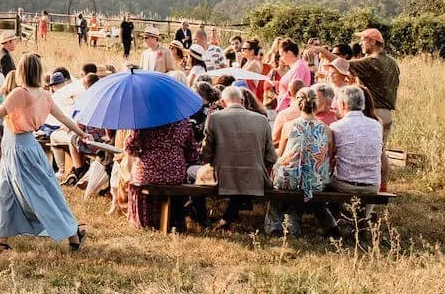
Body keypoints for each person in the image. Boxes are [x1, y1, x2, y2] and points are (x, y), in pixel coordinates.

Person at [0, 54, 88, 251]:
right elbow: (63, 117)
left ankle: (72, 233)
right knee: (7, 193)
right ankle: (1, 242)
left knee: (38, 195)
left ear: (21, 71)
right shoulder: (44, 94)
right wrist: (81, 133)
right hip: (23, 146)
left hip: (19, 148)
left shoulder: (20, 93)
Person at [200, 85, 276, 228]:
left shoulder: (214, 118)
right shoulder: (262, 120)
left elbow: (206, 155)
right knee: (241, 176)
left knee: (195, 174)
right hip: (255, 176)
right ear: (242, 101)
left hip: (222, 176)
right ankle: (227, 217)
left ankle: (200, 217)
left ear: (222, 102)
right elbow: (271, 157)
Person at [266, 88, 338, 239]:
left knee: (283, 177)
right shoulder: (326, 129)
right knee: (302, 180)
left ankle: (274, 227)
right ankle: (293, 227)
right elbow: (329, 156)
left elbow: (280, 154)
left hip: (290, 179)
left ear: (299, 105)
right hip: (315, 181)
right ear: (315, 104)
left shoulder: (289, 126)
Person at [125, 111, 199, 231]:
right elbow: (192, 152)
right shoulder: (183, 122)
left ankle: (146, 222)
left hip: (148, 173)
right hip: (175, 174)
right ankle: (174, 221)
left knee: (134, 176)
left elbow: (130, 148)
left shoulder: (143, 119)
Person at [328, 85, 384, 195]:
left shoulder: (336, 126)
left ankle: (332, 212)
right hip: (372, 185)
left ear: (343, 104)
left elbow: (329, 157)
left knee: (324, 182)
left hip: (345, 184)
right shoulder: (376, 125)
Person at [347, 28, 399, 138]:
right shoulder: (392, 62)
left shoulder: (372, 61)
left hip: (373, 113)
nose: (360, 43)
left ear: (373, 41)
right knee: (379, 152)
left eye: (363, 39)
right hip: (387, 114)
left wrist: (323, 52)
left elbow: (343, 64)